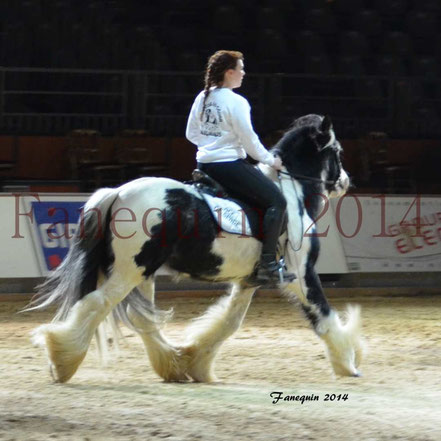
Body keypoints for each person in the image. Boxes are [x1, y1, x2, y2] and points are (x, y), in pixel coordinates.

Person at [185, 50, 295, 285]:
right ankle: (268, 264)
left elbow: (190, 133)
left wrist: (211, 143)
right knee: (278, 202)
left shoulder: (202, 97)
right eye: (241, 69)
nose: (244, 73)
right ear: (230, 72)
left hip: (203, 165)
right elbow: (250, 141)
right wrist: (271, 161)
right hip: (228, 166)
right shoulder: (237, 102)